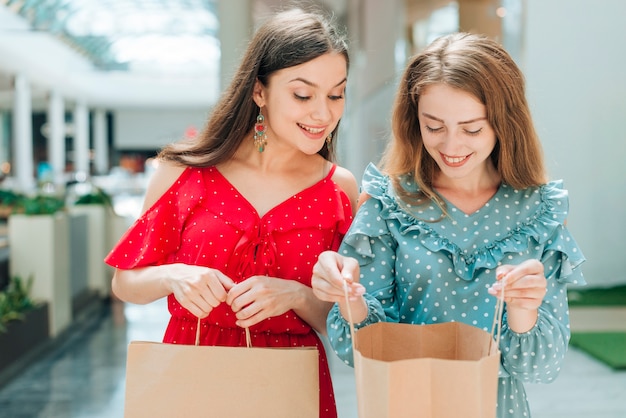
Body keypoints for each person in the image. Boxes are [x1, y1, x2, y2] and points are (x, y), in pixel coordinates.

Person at [311, 32, 586, 418]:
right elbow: (359, 350)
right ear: (414, 121)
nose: (452, 146)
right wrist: (348, 297)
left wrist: (524, 311)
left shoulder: (539, 210)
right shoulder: (387, 202)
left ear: (505, 123)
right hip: (406, 403)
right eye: (434, 126)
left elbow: (543, 367)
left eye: (471, 128)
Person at [105, 8, 358, 418]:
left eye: (336, 94)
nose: (323, 114)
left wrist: (297, 296)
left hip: (291, 386)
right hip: (192, 377)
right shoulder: (184, 172)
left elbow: (348, 321)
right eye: (302, 94)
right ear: (259, 91)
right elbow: (126, 282)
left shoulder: (338, 189)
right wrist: (175, 275)